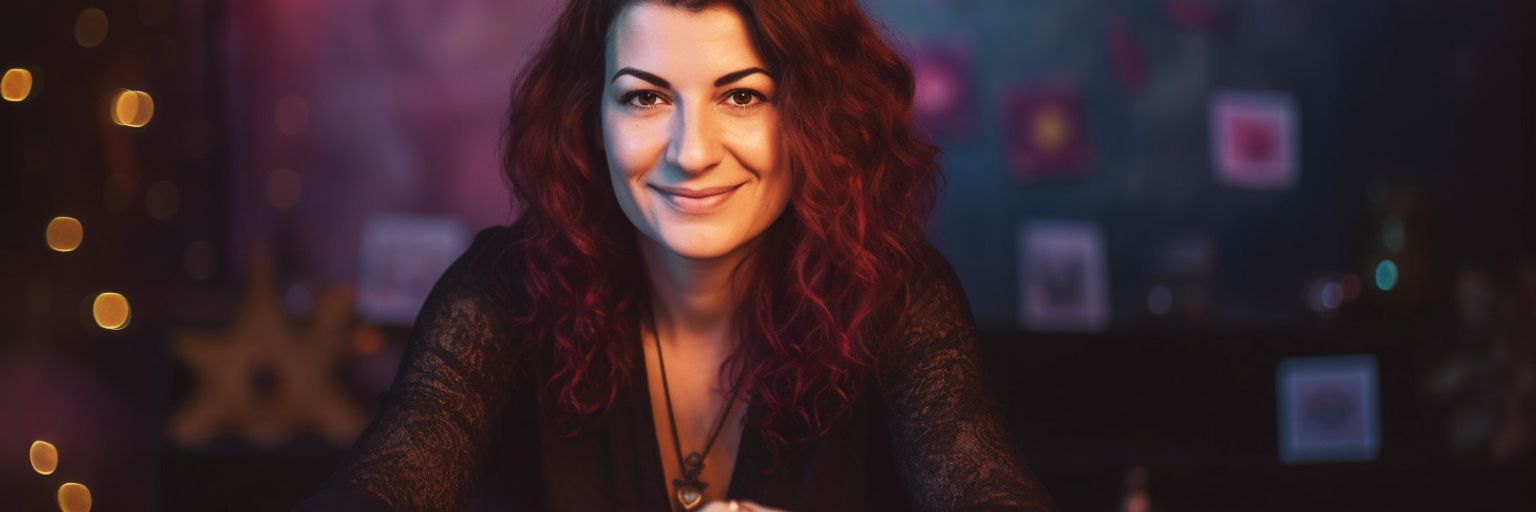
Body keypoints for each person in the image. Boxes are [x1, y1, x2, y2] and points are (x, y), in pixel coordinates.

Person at [295, 0, 1056, 510]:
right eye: (645, 97)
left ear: (813, 117)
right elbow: (385, 486)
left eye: (743, 96)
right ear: (590, 116)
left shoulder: (897, 297)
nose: (691, 153)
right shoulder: (502, 292)